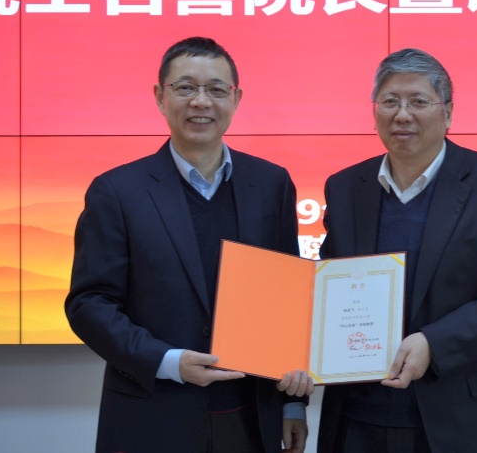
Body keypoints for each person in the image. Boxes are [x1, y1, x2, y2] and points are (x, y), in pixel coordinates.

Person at [66, 36, 312, 453]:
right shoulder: (117, 191)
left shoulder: (271, 183)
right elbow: (89, 304)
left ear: (236, 99)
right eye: (185, 88)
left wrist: (292, 404)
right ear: (160, 97)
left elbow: (289, 296)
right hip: (153, 414)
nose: (201, 102)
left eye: (216, 89)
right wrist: (167, 362)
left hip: (251, 417)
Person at [317, 47, 477, 452]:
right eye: (390, 101)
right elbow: (330, 286)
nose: (402, 115)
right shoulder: (345, 187)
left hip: (460, 417)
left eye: (418, 102)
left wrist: (435, 343)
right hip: (358, 417)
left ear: (448, 112)